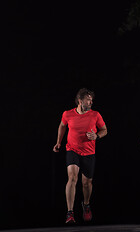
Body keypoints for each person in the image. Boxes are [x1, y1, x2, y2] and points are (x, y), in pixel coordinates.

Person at [53, 88, 107, 224]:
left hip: (89, 152)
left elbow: (105, 130)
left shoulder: (96, 115)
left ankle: (86, 204)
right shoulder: (67, 114)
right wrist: (58, 142)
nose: (91, 102)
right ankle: (70, 213)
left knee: (86, 183)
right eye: (88, 100)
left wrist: (97, 136)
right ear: (80, 100)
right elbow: (62, 126)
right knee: (72, 178)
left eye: (91, 100)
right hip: (72, 150)